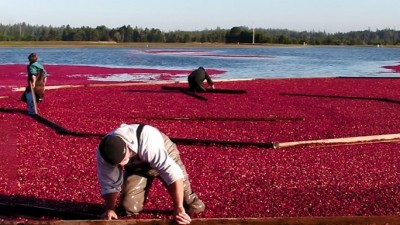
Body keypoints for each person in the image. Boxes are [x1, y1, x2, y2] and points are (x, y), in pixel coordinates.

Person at [96, 123, 205, 224]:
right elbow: (109, 184)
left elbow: (172, 173)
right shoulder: (104, 154)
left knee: (193, 208)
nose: (122, 167)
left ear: (127, 147)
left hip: (165, 154)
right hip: (138, 168)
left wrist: (179, 208)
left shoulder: (148, 142)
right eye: (119, 165)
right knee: (128, 208)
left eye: (124, 161)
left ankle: (190, 201)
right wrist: (110, 209)